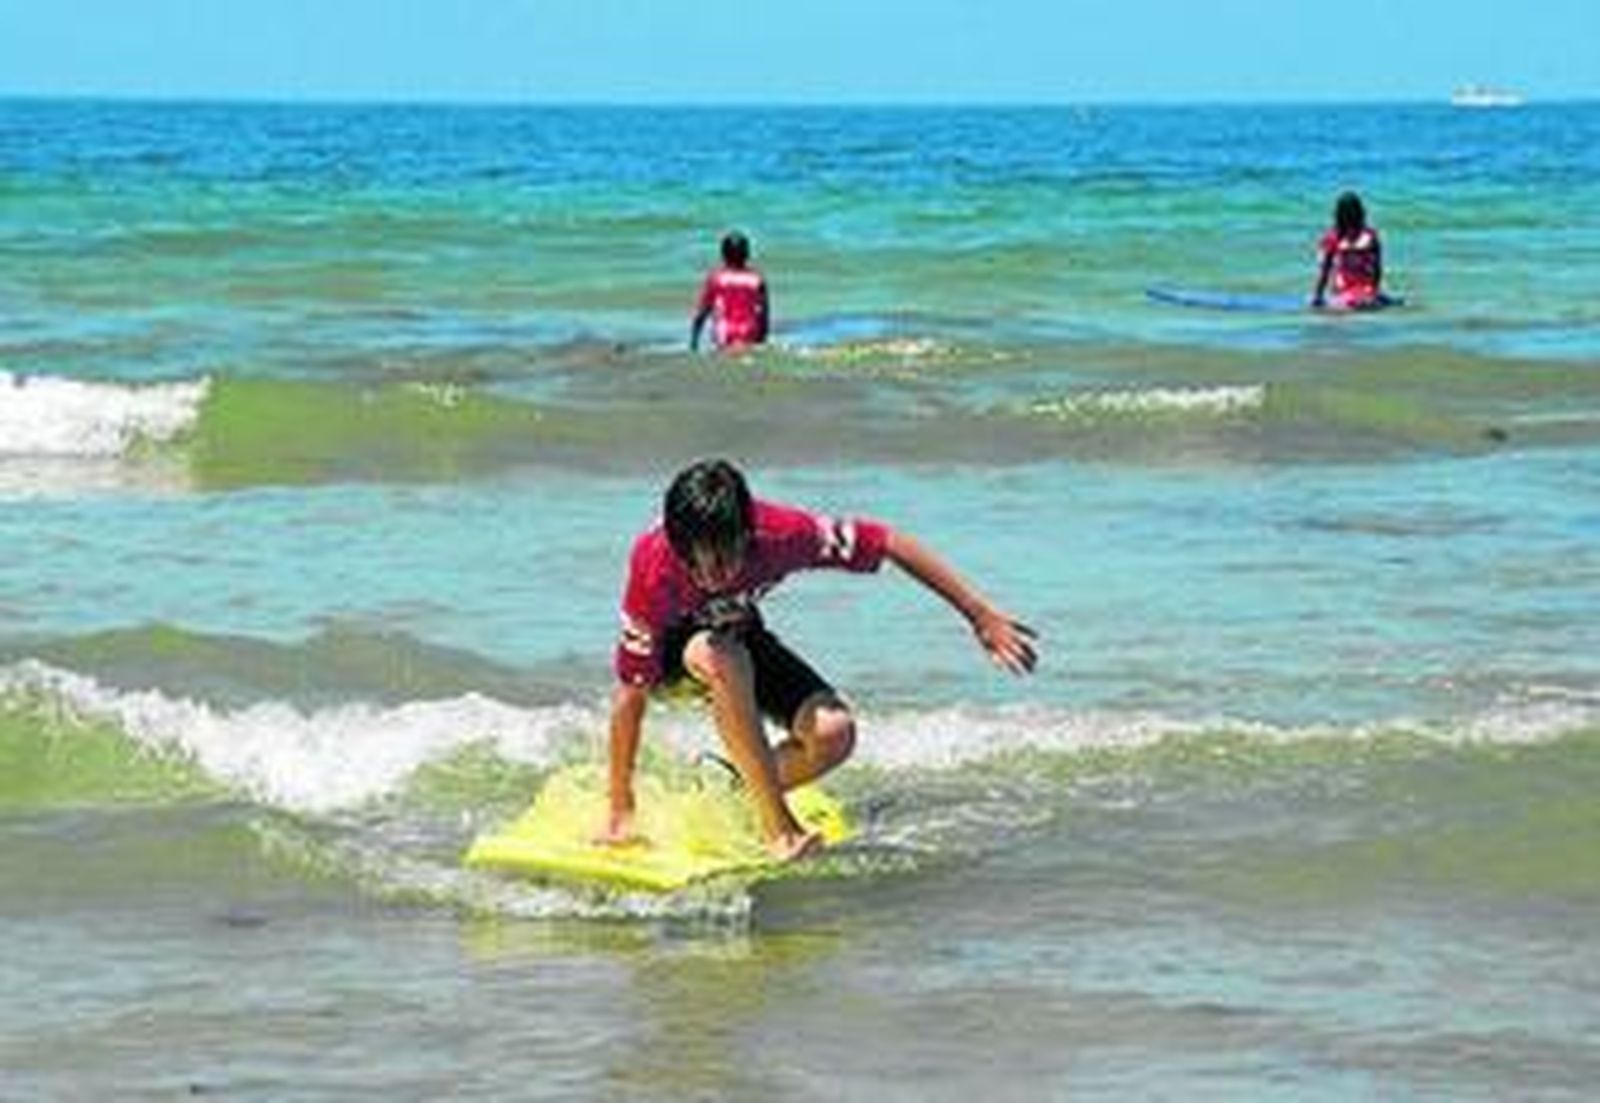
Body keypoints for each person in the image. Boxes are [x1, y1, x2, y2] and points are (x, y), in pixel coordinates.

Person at [601, 459, 1038, 861]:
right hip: (675, 662)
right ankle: (780, 830)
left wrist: (977, 614)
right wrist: (621, 809)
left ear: (748, 536)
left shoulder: (783, 535)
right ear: (680, 550)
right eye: (702, 566)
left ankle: (727, 793)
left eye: (728, 560)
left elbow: (888, 542)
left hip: (738, 634)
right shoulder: (653, 567)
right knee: (725, 658)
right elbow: (630, 695)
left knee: (834, 733)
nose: (716, 576)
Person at [690, 231, 770, 351]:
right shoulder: (756, 280)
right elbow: (763, 315)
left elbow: (703, 312)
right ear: (747, 254)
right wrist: (762, 339)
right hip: (749, 332)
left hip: (725, 333)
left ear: (723, 255)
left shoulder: (717, 279)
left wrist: (694, 340)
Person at [1312, 192, 1387, 309]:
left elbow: (1325, 271)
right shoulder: (1370, 235)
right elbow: (1377, 269)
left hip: (1344, 290)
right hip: (1364, 289)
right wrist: (1374, 290)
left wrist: (1318, 295)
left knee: (1350, 303)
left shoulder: (1333, 237)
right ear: (1361, 213)